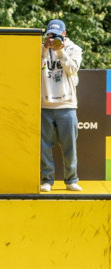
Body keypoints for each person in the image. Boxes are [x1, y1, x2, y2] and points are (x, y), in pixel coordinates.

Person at [40, 19, 83, 192]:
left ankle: (71, 179)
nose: (53, 38)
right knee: (44, 147)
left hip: (67, 105)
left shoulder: (74, 49)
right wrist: (45, 47)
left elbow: (72, 69)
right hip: (44, 104)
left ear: (64, 34)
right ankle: (46, 180)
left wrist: (60, 51)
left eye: (57, 35)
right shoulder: (41, 48)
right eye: (50, 35)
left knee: (69, 146)